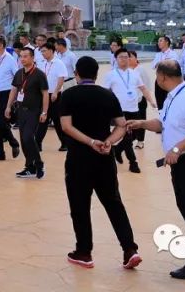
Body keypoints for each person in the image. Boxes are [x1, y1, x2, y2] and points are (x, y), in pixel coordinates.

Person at [127, 60, 185, 280]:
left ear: (163, 78)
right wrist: (141, 124)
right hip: (181, 163)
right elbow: (163, 124)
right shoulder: (172, 96)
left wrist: (176, 148)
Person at [59, 56, 141, 271]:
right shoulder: (108, 95)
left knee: (80, 206)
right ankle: (129, 249)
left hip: (78, 159)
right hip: (104, 159)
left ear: (76, 74)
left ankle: (84, 252)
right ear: (96, 74)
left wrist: (90, 142)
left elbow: (66, 127)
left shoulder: (68, 95)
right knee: (114, 203)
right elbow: (122, 126)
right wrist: (108, 142)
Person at [6, 48, 49, 179]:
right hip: (21, 110)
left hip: (34, 111)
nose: (23, 59)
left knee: (28, 137)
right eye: (21, 57)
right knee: (24, 141)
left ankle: (39, 163)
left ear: (32, 58)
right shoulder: (19, 73)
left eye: (25, 56)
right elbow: (14, 90)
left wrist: (44, 112)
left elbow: (45, 94)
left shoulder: (39, 74)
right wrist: (8, 106)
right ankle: (30, 167)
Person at [103, 50, 148, 173]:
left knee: (132, 135)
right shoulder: (110, 75)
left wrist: (152, 102)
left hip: (134, 109)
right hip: (119, 111)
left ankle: (117, 150)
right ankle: (133, 163)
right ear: (116, 59)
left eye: (126, 57)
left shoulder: (134, 74)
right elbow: (105, 93)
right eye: (121, 57)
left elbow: (143, 88)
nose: (124, 59)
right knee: (128, 136)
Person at [37, 41, 69, 152]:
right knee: (42, 118)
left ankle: (64, 143)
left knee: (57, 119)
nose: (43, 53)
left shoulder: (58, 63)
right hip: (44, 94)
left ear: (51, 51)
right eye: (41, 52)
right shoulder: (42, 63)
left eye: (44, 51)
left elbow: (61, 78)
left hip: (55, 95)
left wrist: (56, 92)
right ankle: (38, 143)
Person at [150, 36, 179, 108]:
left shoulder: (173, 54)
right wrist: (164, 63)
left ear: (167, 42)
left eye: (160, 41)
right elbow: (153, 66)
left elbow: (174, 66)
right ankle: (161, 116)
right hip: (159, 80)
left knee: (170, 101)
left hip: (169, 81)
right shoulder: (158, 54)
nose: (158, 43)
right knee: (159, 100)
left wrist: (160, 63)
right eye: (158, 41)